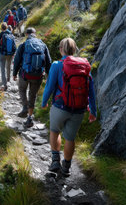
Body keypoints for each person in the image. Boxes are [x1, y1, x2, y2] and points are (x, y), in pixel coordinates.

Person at [41, 38, 97, 176]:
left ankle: (55, 161)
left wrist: (44, 102)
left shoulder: (56, 65)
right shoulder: (84, 66)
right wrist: (93, 111)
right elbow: (91, 91)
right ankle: (66, 167)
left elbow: (49, 87)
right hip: (79, 110)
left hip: (60, 106)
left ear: (61, 49)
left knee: (54, 131)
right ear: (75, 49)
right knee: (70, 138)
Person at [13, 27, 51, 127]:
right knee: (32, 95)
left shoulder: (23, 45)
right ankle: (29, 118)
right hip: (38, 76)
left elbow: (17, 61)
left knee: (22, 89)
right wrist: (48, 75)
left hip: (25, 74)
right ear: (35, 33)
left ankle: (25, 106)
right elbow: (48, 61)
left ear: (26, 34)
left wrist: (14, 73)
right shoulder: (43, 44)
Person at [0, 22, 16, 91]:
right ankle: (8, 79)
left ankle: (5, 84)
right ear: (6, 27)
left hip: (2, 54)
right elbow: (14, 46)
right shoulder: (11, 34)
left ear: (1, 28)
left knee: (2, 69)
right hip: (9, 54)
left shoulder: (1, 34)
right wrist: (13, 53)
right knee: (9, 66)